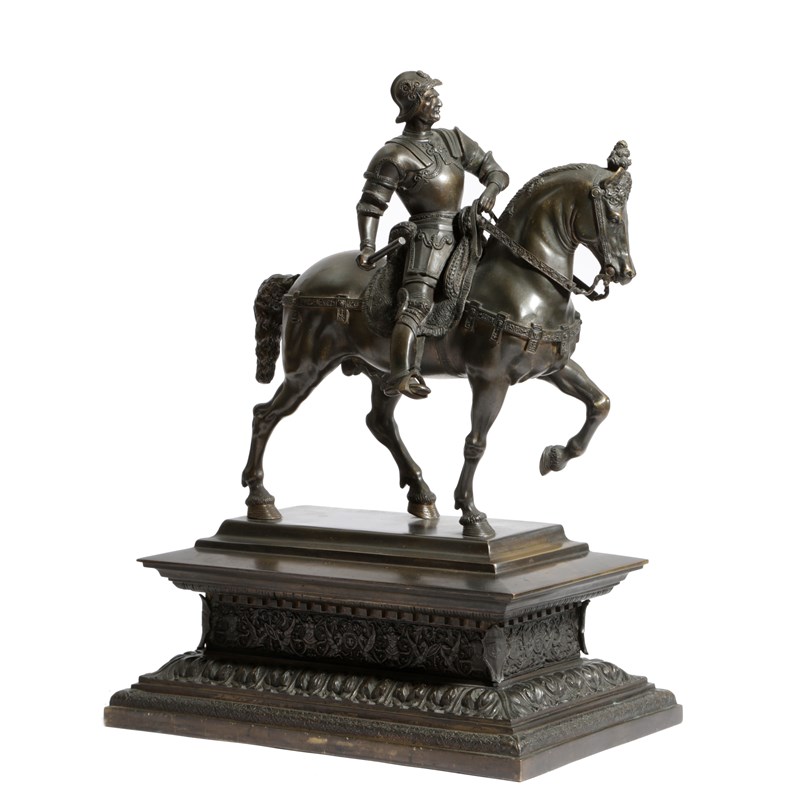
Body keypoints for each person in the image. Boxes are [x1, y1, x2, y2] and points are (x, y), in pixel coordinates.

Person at [357, 70, 509, 399]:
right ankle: (402, 373)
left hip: (466, 230)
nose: (437, 101)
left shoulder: (453, 140)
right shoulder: (394, 155)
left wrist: (490, 191)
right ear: (414, 106)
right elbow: (371, 205)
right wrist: (367, 245)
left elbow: (494, 171)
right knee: (417, 303)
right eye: (429, 97)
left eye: (435, 95)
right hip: (428, 239)